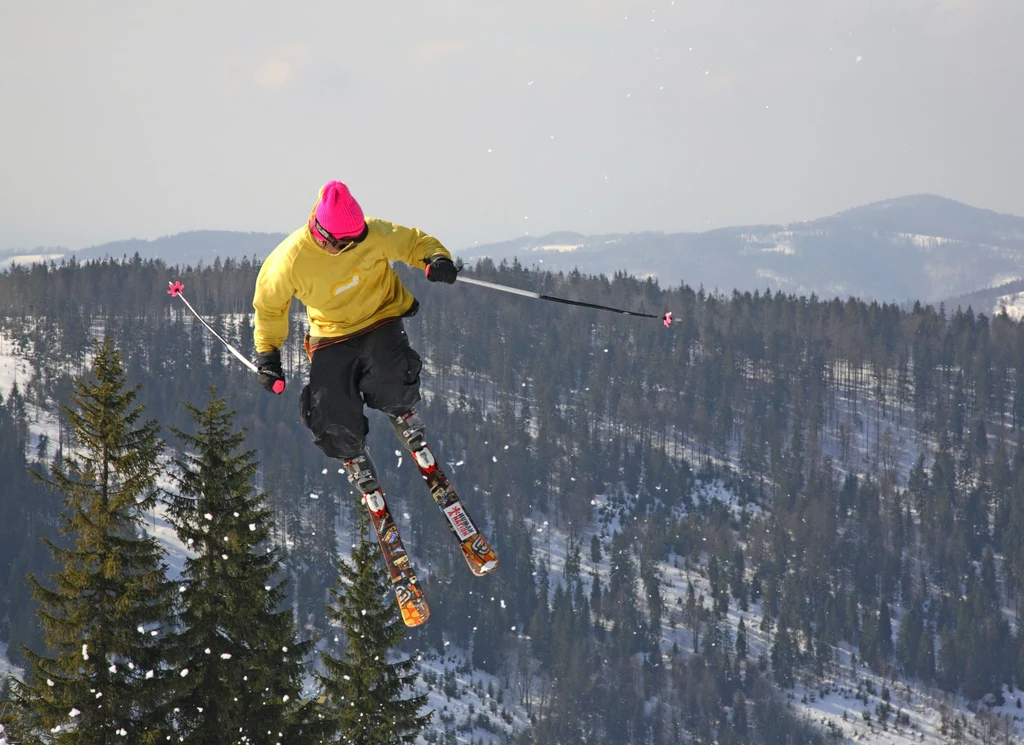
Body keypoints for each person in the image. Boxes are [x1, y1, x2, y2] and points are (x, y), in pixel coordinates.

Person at [251, 180, 459, 494]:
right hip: (331, 335)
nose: (354, 246)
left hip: (379, 317)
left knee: (390, 373)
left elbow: (413, 242)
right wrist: (269, 355)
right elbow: (269, 307)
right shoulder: (289, 261)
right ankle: (352, 456)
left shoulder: (372, 234)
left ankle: (401, 411)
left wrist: (436, 258)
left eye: (357, 238)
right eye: (346, 243)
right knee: (330, 410)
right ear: (324, 237)